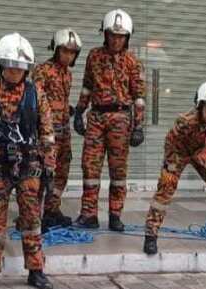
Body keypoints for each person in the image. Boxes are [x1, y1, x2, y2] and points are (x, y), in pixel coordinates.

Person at [0, 33, 55, 289]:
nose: (16, 71)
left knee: (31, 220)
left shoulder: (36, 94)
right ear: (0, 65)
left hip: (29, 166)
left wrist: (49, 168)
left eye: (21, 67)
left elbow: (47, 133)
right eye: (11, 66)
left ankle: (36, 270)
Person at [143, 79, 206, 256]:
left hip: (201, 151)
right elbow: (170, 141)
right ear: (200, 106)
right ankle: (151, 236)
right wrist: (170, 164)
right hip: (178, 151)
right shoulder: (186, 121)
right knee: (166, 186)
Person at [73, 8, 145, 231]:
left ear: (127, 37)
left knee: (118, 170)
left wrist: (138, 126)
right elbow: (86, 86)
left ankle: (115, 215)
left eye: (121, 36)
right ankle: (89, 214)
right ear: (105, 34)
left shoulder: (133, 61)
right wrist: (79, 112)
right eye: (113, 35)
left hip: (121, 119)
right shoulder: (94, 56)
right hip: (96, 116)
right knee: (90, 167)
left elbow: (139, 96)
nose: (116, 40)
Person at [33, 28, 82, 231]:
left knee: (62, 171)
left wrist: (68, 109)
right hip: (47, 132)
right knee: (44, 172)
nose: (68, 55)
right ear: (56, 49)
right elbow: (36, 100)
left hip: (64, 130)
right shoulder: (42, 70)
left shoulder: (68, 75)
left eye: (72, 52)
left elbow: (60, 99)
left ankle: (52, 209)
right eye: (65, 51)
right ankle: (35, 214)